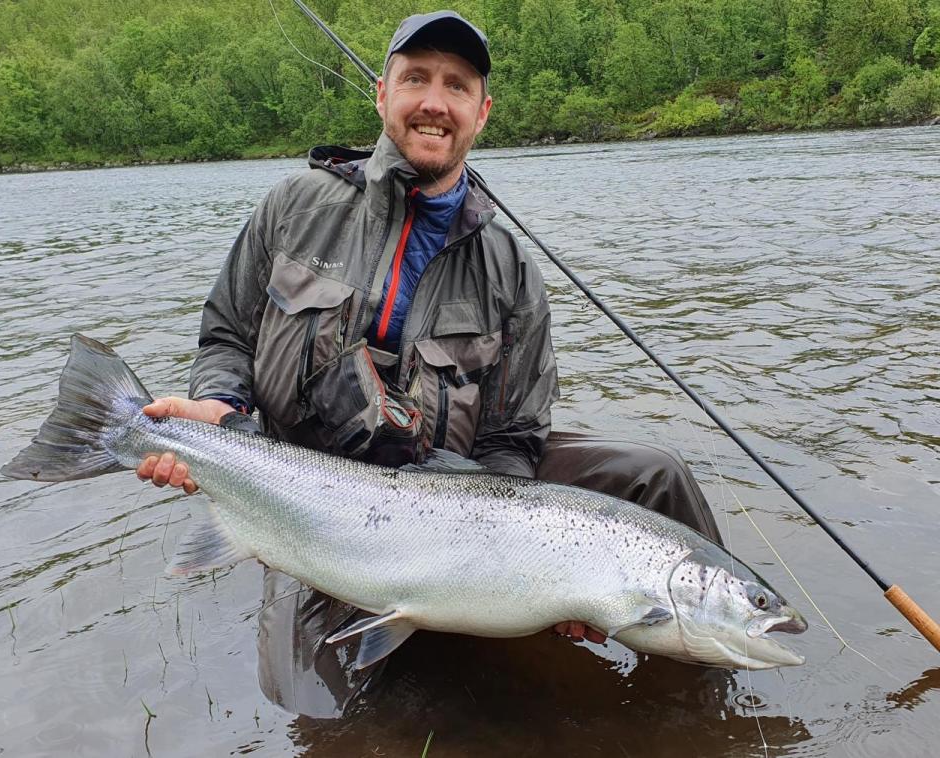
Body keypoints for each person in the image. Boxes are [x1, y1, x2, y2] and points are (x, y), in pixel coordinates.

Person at [136, 11, 722, 717]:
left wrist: (533, 577)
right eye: (416, 78)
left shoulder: (508, 269)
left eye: (457, 85)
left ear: (482, 112)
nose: (434, 102)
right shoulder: (295, 206)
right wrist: (221, 412)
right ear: (382, 94)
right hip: (310, 489)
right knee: (316, 710)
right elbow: (226, 334)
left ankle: (701, 698)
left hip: (462, 486)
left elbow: (512, 437)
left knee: (655, 477)